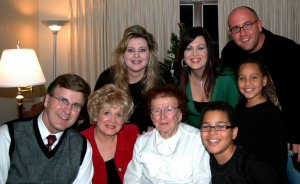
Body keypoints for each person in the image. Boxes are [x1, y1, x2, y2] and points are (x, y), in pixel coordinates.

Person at [221, 6, 300, 183]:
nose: (242, 34)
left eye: (247, 25)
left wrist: (297, 134)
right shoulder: (230, 54)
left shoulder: (289, 50)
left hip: (290, 138)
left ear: (259, 25)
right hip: (255, 141)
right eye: (236, 29)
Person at [0, 73, 94, 184]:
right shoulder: (9, 135)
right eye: (63, 100)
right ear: (47, 100)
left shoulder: (81, 146)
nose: (68, 110)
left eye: (76, 105)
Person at [93, 24, 173, 133]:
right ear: (123, 54)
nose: (136, 55)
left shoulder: (162, 76)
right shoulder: (107, 78)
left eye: (142, 50)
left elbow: (172, 111)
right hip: (115, 137)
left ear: (150, 53)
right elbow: (94, 114)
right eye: (130, 50)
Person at [124, 84, 211, 183]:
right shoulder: (142, 142)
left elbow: (203, 180)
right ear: (152, 117)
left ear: (180, 114)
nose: (162, 116)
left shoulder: (197, 140)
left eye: (169, 110)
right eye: (157, 111)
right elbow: (132, 178)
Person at [200, 101, 281, 184]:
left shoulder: (253, 165)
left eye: (221, 126)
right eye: (206, 126)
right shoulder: (206, 161)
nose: (212, 132)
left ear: (234, 133)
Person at [174, 26, 239, 128]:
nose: (195, 54)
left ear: (209, 51)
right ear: (183, 54)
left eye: (200, 48)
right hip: (193, 140)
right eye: (189, 48)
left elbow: (237, 116)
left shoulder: (226, 77)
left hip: (224, 138)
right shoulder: (178, 82)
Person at [235, 57, 287, 183]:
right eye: (242, 78)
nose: (247, 83)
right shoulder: (239, 108)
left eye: (254, 77)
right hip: (242, 174)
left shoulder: (272, 113)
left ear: (264, 81)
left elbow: (280, 154)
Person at [81, 84, 140, 183]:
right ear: (95, 115)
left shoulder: (132, 134)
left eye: (118, 115)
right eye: (107, 113)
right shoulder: (80, 142)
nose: (113, 120)